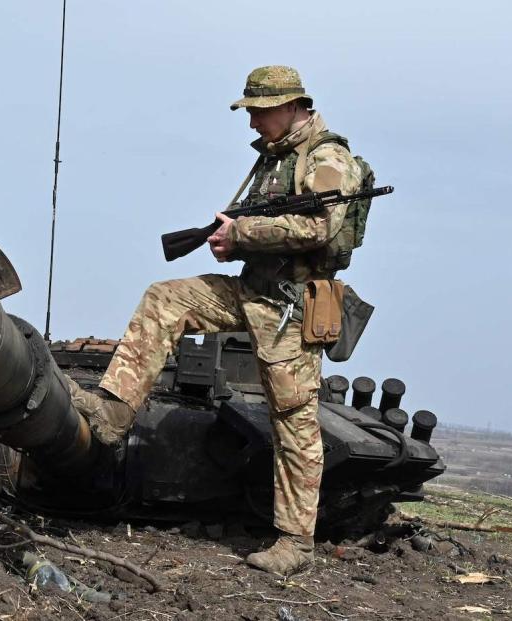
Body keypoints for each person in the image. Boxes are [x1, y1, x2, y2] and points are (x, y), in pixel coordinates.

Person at [67, 65, 365, 576]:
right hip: (251, 291)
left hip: (290, 308)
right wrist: (231, 240)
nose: (251, 123)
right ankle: (114, 415)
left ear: (291, 105)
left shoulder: (326, 157)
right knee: (166, 298)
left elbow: (320, 224)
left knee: (293, 421)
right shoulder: (275, 159)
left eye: (257, 111)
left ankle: (295, 543)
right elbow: (264, 228)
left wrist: (245, 234)